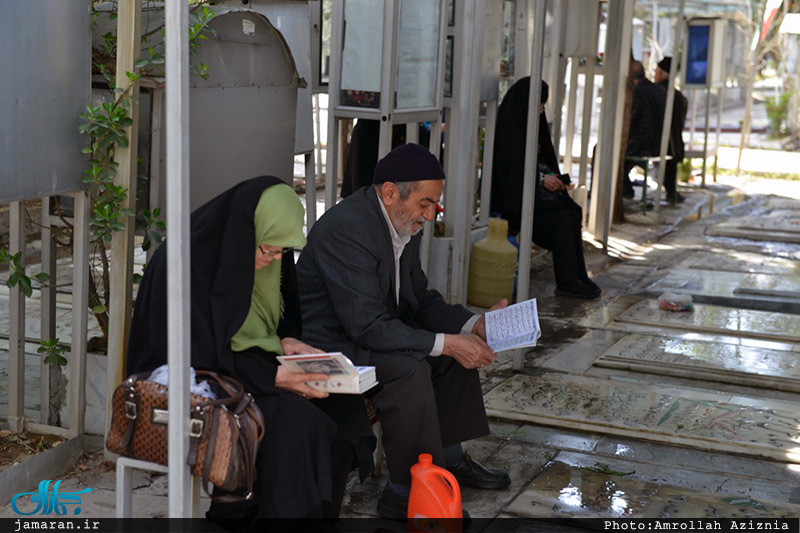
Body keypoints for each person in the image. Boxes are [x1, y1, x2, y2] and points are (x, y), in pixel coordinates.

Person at [126, 176, 366, 522]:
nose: (274, 258)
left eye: (282, 250)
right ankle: (243, 515)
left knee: (343, 407)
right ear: (245, 233)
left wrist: (286, 342)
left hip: (253, 363)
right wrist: (275, 377)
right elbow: (193, 353)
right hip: (201, 376)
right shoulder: (185, 261)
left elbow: (275, 320)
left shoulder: (270, 257)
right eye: (267, 248)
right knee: (296, 424)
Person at [296, 144, 511, 520]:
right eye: (425, 204)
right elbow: (364, 325)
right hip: (334, 344)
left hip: (368, 332)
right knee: (412, 369)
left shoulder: (398, 221)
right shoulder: (349, 227)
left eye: (434, 206)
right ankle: (407, 491)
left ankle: (445, 461)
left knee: (453, 351)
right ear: (391, 191)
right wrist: (446, 344)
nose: (430, 215)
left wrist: (473, 324)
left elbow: (420, 299)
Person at [490, 77, 601, 299]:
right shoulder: (509, 126)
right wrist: (541, 180)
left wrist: (553, 178)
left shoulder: (530, 122)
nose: (542, 111)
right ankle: (567, 281)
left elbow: (541, 159)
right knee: (560, 218)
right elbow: (511, 171)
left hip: (532, 196)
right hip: (513, 201)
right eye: (540, 105)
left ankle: (578, 276)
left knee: (572, 211)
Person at [623, 60, 667, 199]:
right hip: (658, 144)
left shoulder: (637, 92)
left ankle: (623, 190)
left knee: (601, 151)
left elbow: (630, 120)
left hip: (642, 145)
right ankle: (625, 188)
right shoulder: (658, 90)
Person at [655, 56, 689, 203]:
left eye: (656, 71)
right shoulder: (680, 97)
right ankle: (671, 191)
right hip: (674, 142)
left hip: (657, 141)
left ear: (662, 73)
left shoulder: (656, 92)